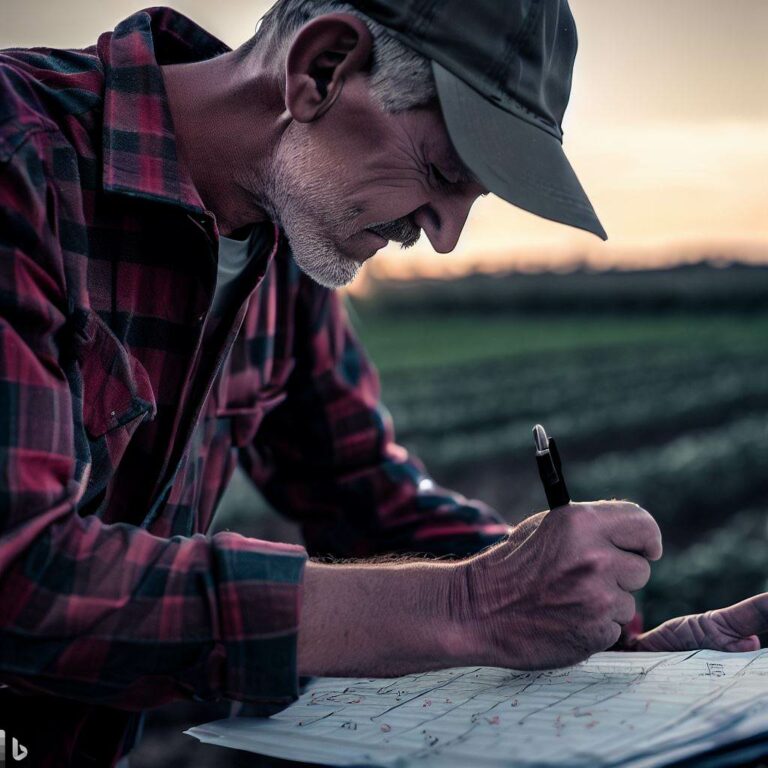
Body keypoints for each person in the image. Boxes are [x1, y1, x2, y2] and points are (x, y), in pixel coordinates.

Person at [0, 1, 766, 765]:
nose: (444, 236)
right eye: (440, 173)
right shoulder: (19, 160)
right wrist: (475, 605)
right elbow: (23, 576)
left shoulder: (283, 245)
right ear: (321, 70)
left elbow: (362, 489)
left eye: (473, 199)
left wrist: (609, 647)